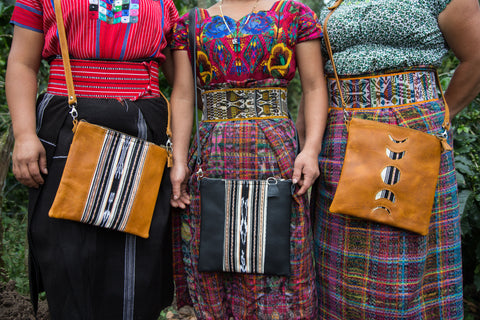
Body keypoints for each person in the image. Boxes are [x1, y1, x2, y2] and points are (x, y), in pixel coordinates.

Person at [302, 0, 480, 318]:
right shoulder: (334, 1)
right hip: (342, 140)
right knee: (342, 263)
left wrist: (438, 118)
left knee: (405, 258)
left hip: (412, 136)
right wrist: (305, 147)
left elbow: (477, 56)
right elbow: (315, 81)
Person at [6, 0, 178, 318]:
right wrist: (25, 134)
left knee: (137, 264)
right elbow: (22, 63)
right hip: (68, 129)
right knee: (68, 257)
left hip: (144, 132)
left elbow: (183, 79)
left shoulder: (162, 3)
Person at [168, 0, 328, 318]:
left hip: (275, 151)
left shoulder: (295, 13)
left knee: (281, 248)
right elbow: (184, 94)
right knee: (217, 250)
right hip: (214, 153)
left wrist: (311, 149)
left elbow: (313, 86)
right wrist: (180, 160)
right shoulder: (190, 24)